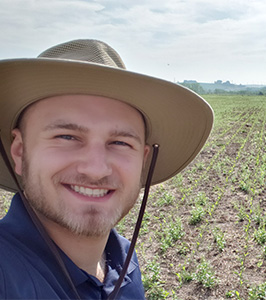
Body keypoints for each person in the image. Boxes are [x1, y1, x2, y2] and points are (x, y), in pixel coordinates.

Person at [0, 39, 214, 299]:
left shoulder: (125, 261)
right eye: (66, 137)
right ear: (20, 151)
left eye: (120, 142)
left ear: (143, 161)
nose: (96, 169)